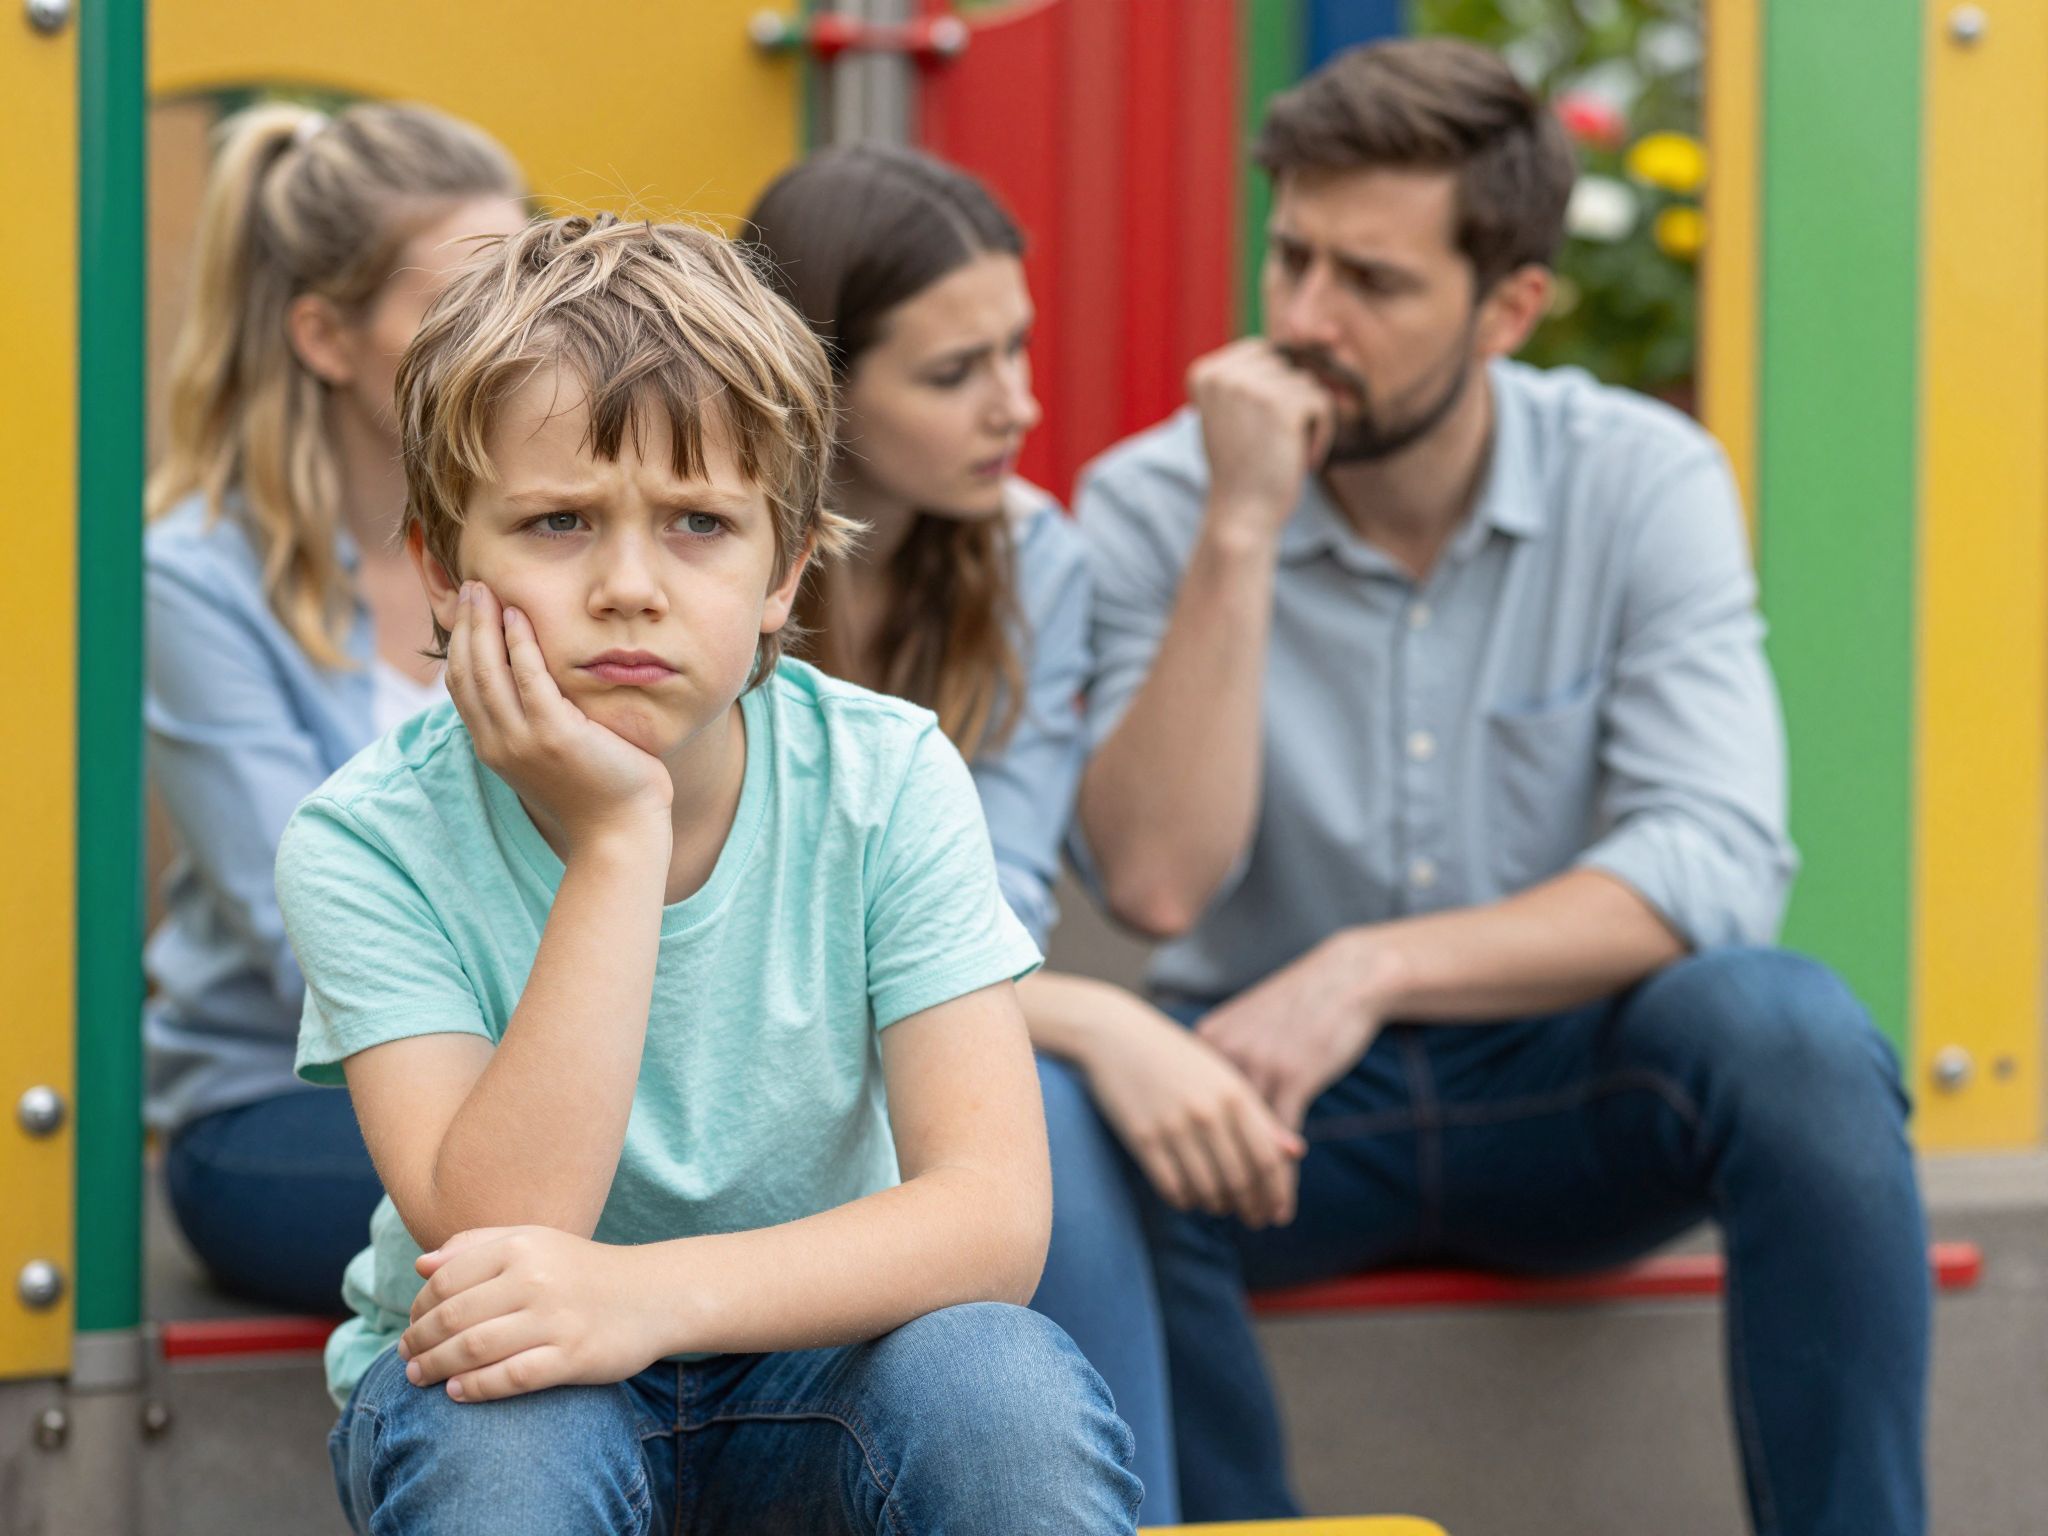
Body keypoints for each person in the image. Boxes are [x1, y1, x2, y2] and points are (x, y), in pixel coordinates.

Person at [1074, 38, 1929, 1535]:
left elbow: (1716, 854)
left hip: (1568, 1090)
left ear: (1511, 307)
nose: (1309, 321)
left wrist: (1373, 965)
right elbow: (1150, 884)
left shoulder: (1642, 479)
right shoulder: (1160, 499)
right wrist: (1242, 534)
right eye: (1295, 261)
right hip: (1272, 1112)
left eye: (1377, 283)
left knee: (1793, 1031)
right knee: (1068, 1126)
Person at [276, 213, 1141, 1534]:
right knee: (501, 1436)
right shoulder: (368, 839)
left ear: (786, 566)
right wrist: (618, 840)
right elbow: (505, 1225)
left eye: (697, 523)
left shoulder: (886, 776)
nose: (630, 585)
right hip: (513, 1384)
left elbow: (991, 1220)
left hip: (823, 1367)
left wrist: (644, 1298)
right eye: (559, 521)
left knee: (998, 1384)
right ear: (444, 571)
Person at [746, 144, 1302, 1525]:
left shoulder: (1023, 554)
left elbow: (988, 913)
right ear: (813, 402)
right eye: (954, 375)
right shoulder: (699, 567)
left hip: (915, 1059)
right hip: (709, 1063)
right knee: (1064, 1092)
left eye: (1019, 349)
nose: (1021, 406)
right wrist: (1106, 1023)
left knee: (1063, 1122)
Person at [143, 100, 526, 1311]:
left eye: (524, 288)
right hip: (281, 1104)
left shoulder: (539, 536)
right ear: (324, 335)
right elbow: (301, 934)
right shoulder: (199, 578)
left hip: (540, 1064)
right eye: (456, 308)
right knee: (580, 1217)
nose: (510, 339)